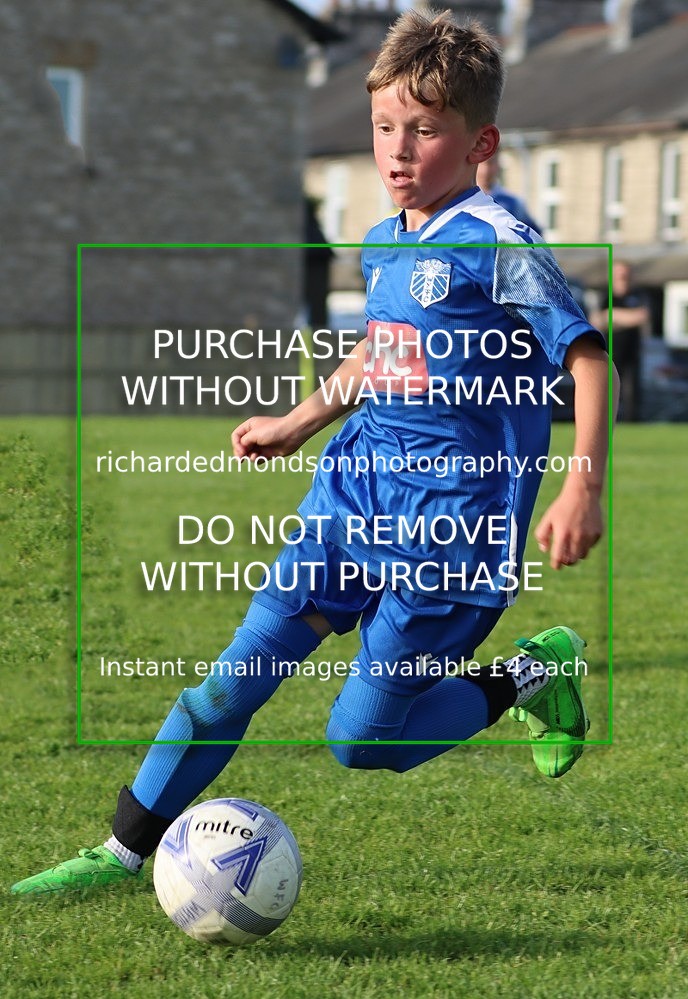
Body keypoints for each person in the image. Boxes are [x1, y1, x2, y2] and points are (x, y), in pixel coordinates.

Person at [12, 10, 618, 896]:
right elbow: (382, 349)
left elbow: (588, 358)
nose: (398, 150)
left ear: (479, 142)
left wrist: (581, 487)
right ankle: (120, 851)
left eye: (425, 130)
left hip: (453, 528)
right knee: (234, 679)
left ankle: (535, 671)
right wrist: (299, 422)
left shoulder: (497, 242)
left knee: (362, 741)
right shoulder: (384, 242)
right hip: (355, 497)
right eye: (384, 127)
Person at [590, 260, 649, 421]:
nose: (622, 276)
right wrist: (624, 317)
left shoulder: (638, 295)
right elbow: (596, 320)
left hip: (632, 351)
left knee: (632, 391)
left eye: (625, 273)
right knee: (608, 390)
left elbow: (641, 316)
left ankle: (632, 423)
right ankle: (608, 421)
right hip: (609, 352)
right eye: (619, 272)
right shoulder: (605, 295)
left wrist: (613, 315)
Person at [476, 152, 541, 232]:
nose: (485, 170)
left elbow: (532, 234)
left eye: (491, 163)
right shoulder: (464, 199)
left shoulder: (513, 203)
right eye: (480, 163)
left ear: (498, 164)